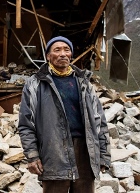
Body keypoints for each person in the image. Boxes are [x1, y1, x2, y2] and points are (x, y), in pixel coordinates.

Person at [18, 36, 110, 193]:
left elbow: (99, 120)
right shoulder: (35, 83)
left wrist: (103, 154)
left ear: (71, 55)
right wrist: (32, 155)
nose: (62, 54)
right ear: (48, 56)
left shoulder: (84, 83)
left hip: (85, 150)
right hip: (53, 151)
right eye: (57, 50)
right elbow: (26, 124)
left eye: (66, 50)